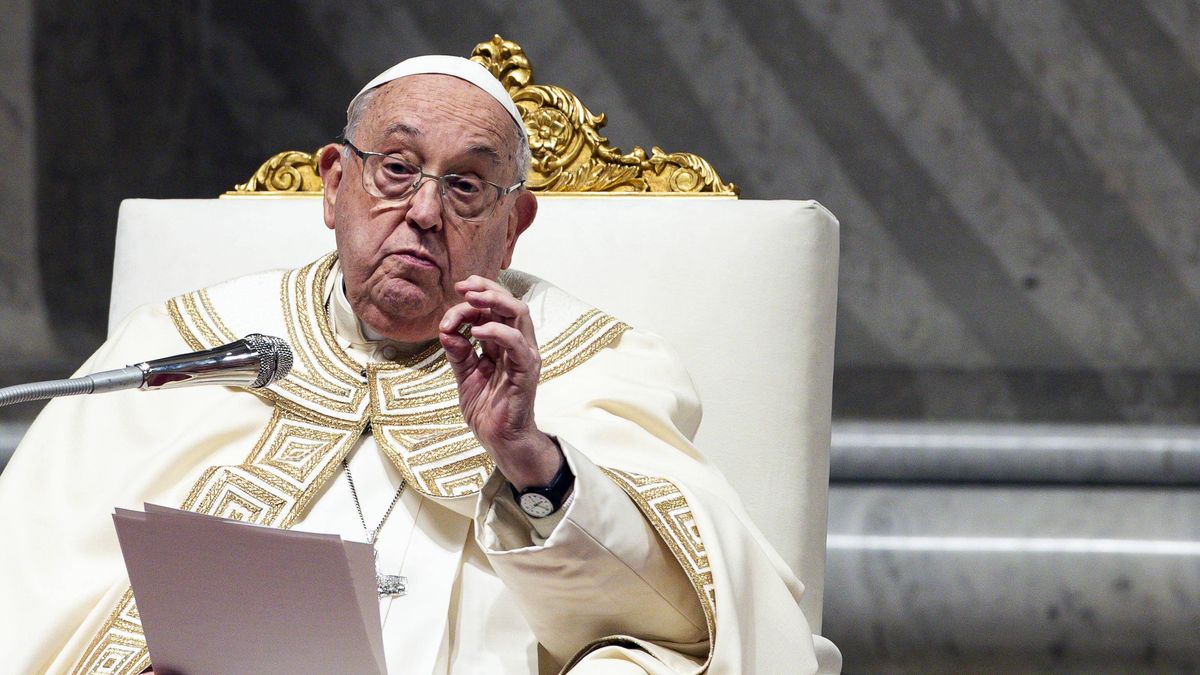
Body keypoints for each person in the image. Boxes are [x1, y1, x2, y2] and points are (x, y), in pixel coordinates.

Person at [0, 56, 839, 674]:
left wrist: (529, 458)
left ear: (514, 225)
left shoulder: (596, 361)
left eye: (469, 187)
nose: (425, 212)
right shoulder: (190, 343)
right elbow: (29, 580)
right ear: (334, 185)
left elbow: (691, 620)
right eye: (395, 170)